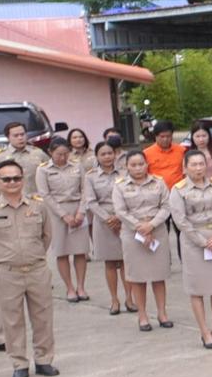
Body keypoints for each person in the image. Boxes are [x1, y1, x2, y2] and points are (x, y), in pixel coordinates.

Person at [0, 160, 59, 377]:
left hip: (37, 269)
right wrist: (3, 262)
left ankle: (44, 360)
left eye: (16, 178)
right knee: (12, 320)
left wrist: (33, 257)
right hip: (7, 272)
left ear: (23, 179)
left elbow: (47, 236)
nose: (12, 182)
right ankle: (19, 363)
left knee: (42, 317)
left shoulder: (38, 205)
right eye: (6, 179)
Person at [170, 149, 212, 348]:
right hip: (194, 243)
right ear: (185, 168)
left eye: (201, 164)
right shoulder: (178, 190)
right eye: (194, 165)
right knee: (197, 290)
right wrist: (202, 241)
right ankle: (205, 332)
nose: (198, 168)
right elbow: (181, 220)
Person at [113, 148, 172, 330]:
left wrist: (151, 225)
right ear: (127, 167)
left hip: (157, 231)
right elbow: (120, 211)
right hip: (133, 235)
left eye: (141, 164)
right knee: (138, 277)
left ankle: (162, 313)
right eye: (133, 165)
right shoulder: (120, 185)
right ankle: (143, 315)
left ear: (147, 164)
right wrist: (140, 227)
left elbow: (166, 206)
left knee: (158, 275)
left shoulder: (159, 182)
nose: (138, 168)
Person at [34, 136, 91, 302]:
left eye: (66, 153)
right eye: (59, 154)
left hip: (78, 209)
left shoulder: (77, 166)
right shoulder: (43, 169)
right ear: (50, 152)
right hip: (56, 213)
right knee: (62, 251)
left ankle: (81, 286)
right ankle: (70, 288)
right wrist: (63, 215)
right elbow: (45, 195)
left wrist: (81, 212)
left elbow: (85, 189)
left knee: (80, 250)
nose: (63, 157)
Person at [86, 141, 129, 314]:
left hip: (125, 220)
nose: (107, 157)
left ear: (115, 154)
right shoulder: (90, 176)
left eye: (110, 153)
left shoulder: (125, 173)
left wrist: (119, 217)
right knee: (110, 263)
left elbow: (130, 195)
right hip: (103, 223)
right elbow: (91, 202)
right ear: (96, 156)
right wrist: (109, 219)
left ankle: (130, 298)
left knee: (126, 261)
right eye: (103, 154)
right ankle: (114, 300)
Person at [142, 122, 185, 190]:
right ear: (155, 136)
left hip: (179, 190)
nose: (165, 139)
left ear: (172, 136)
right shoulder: (146, 153)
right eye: (162, 136)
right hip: (156, 191)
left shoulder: (182, 150)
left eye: (168, 136)